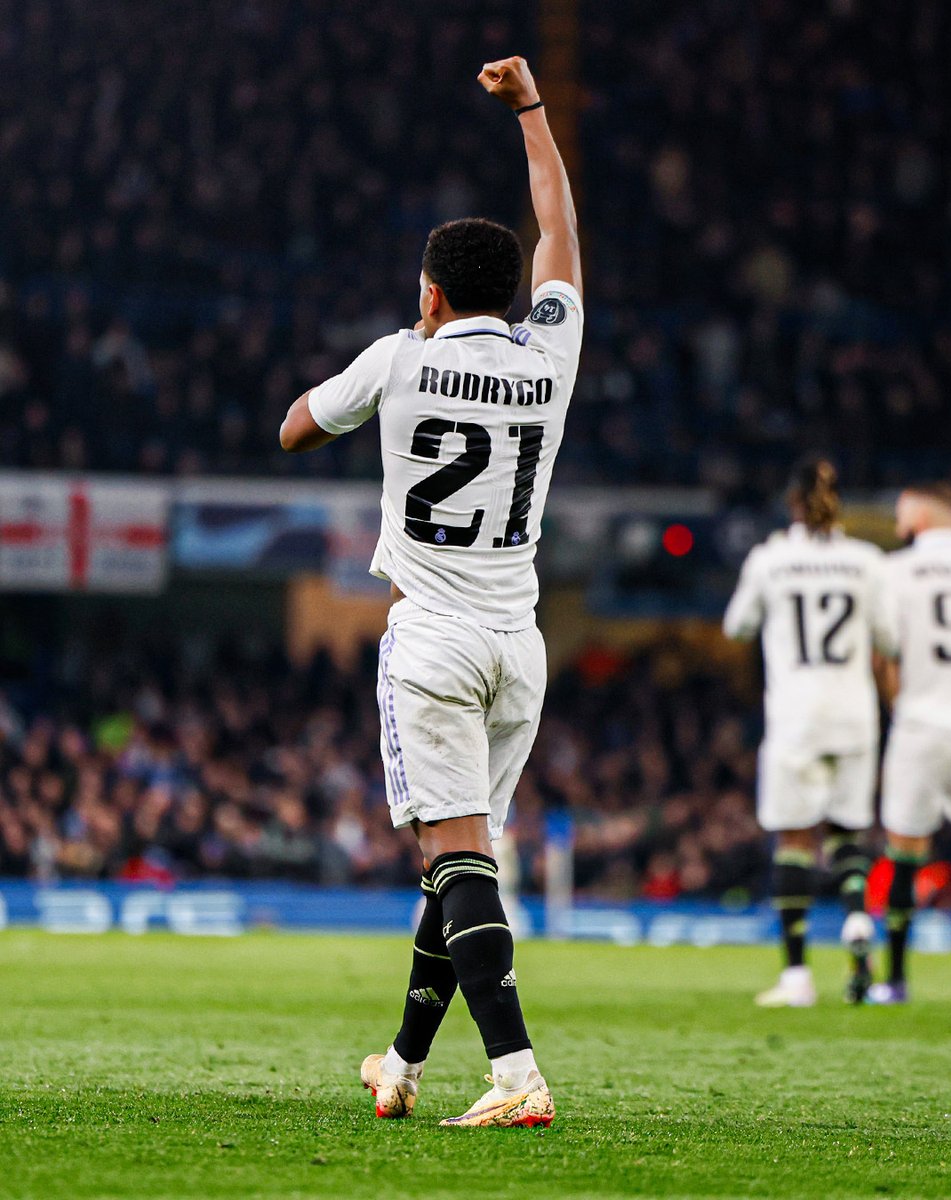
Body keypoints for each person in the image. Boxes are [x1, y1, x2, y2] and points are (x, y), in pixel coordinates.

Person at [279, 57, 581, 1127]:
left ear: (433, 293)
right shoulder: (551, 356)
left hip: (435, 644)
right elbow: (559, 230)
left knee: (455, 857)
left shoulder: (399, 358)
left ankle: (516, 1074)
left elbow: (294, 428)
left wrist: (394, 362)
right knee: (458, 864)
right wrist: (532, 113)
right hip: (519, 644)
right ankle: (401, 1066)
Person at [723, 459, 896, 1006]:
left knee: (795, 839)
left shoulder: (771, 559)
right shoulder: (867, 561)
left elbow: (737, 626)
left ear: (792, 504)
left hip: (796, 718)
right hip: (854, 716)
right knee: (847, 833)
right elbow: (890, 639)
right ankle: (857, 918)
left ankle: (797, 976)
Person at [868, 484, 951, 1004]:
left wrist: (900, 704)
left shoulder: (895, 571)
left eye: (902, 513)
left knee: (905, 851)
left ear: (921, 516)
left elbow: (883, 653)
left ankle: (897, 980)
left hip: (922, 722)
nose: (898, 523)